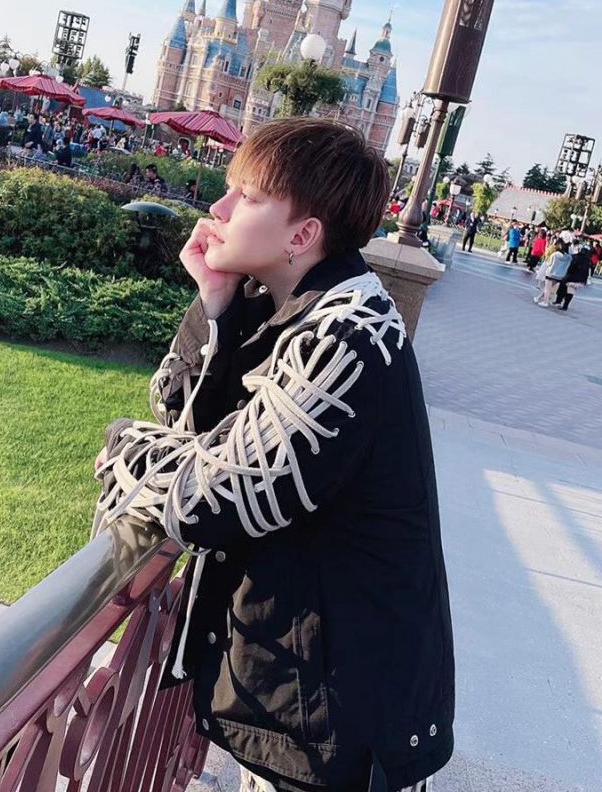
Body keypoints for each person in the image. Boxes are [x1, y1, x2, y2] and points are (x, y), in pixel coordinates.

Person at [91, 118, 454, 792]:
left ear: (302, 235)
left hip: (340, 719)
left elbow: (209, 499)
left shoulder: (349, 338)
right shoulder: (278, 304)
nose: (219, 208)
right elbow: (182, 415)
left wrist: (121, 445)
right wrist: (216, 307)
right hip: (301, 698)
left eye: (248, 196)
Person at [535, 240, 571, 307]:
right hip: (560, 275)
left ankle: (545, 302)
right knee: (549, 288)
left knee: (547, 288)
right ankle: (538, 297)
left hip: (551, 273)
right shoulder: (569, 257)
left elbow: (549, 263)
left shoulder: (555, 254)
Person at [556, 244, 591, 311]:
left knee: (562, 288)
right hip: (580, 279)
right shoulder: (588, 260)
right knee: (571, 291)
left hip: (570, 276)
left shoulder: (575, 257)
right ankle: (565, 305)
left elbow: (570, 266)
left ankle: (558, 301)